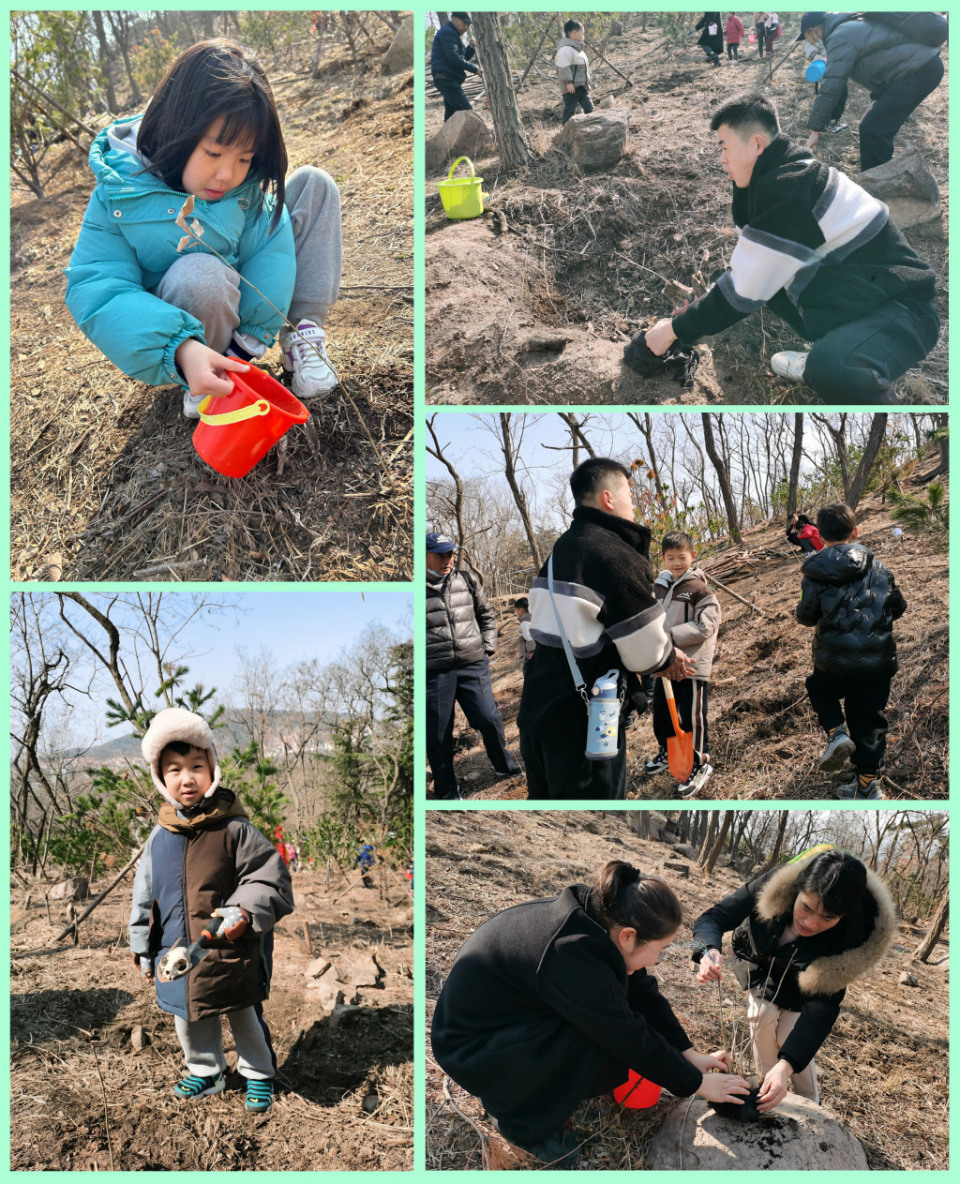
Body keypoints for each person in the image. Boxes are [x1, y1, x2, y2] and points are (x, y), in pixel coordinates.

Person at [65, 39, 342, 417]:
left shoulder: (243, 186)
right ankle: (206, 373)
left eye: (244, 158)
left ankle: (302, 336)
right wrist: (181, 348)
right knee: (200, 275)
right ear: (174, 131)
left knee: (314, 184)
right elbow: (97, 289)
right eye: (214, 154)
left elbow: (270, 253)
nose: (227, 174)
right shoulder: (119, 194)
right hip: (189, 324)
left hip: (245, 312)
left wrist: (250, 341)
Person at [433, 860, 751, 1169]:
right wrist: (697, 1084)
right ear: (628, 936)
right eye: (661, 950)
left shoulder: (601, 918)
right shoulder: (570, 954)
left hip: (503, 1025)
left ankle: (528, 1093)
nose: (658, 960)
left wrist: (687, 1053)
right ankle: (523, 1121)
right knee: (600, 1042)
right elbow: (628, 1036)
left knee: (611, 1023)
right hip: (471, 1050)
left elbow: (642, 993)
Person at [642, 93, 939, 405]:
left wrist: (671, 330)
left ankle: (842, 361)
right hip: (863, 299)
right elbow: (753, 270)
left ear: (757, 144)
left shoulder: (791, 189)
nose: (722, 159)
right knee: (746, 284)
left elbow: (745, 289)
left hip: (904, 310)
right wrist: (700, 310)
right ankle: (835, 349)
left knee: (835, 369)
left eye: (724, 147)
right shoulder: (789, 172)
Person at [131, 708, 294, 1112]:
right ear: (160, 777)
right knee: (189, 1015)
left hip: (230, 946)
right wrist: (141, 945)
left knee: (243, 1012)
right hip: (176, 950)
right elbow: (144, 893)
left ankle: (258, 1073)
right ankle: (207, 1071)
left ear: (212, 768)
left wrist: (241, 911)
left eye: (196, 767)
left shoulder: (233, 827)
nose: (186, 778)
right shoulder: (159, 836)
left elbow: (268, 877)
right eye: (174, 770)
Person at [518, 458, 694, 801]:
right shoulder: (613, 554)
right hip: (583, 725)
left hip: (537, 714)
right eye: (629, 492)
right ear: (608, 498)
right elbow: (646, 648)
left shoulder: (562, 548)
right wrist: (668, 658)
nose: (633, 501)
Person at [692, 847, 896, 1110]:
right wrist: (708, 950)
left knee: (790, 1036)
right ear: (797, 890)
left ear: (843, 916)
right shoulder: (774, 886)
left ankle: (809, 1106)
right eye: (806, 907)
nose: (810, 923)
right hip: (761, 964)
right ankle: (770, 1093)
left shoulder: (851, 937)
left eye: (827, 917)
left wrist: (786, 1066)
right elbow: (713, 918)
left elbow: (820, 1012)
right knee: (761, 1015)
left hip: (805, 983)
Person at [796, 502, 906, 800]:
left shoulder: (814, 572)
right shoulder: (880, 567)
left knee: (819, 688)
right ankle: (868, 786)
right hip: (877, 661)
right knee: (869, 719)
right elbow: (899, 606)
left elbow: (806, 616)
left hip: (833, 660)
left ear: (819, 535)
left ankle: (836, 733)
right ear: (855, 531)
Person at [426, 532, 521, 800]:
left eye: (450, 554)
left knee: (489, 719)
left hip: (472, 664)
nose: (447, 560)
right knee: (438, 733)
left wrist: (488, 647)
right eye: (440, 554)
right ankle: (446, 789)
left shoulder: (466, 580)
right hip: (434, 673)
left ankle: (505, 766)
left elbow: (486, 614)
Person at [797, 12, 946, 171]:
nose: (809, 42)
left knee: (873, 130)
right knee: (872, 128)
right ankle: (878, 179)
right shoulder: (848, 27)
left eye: (806, 36)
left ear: (812, 30)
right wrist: (877, 99)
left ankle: (877, 187)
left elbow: (832, 82)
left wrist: (815, 129)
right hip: (918, 69)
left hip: (919, 70)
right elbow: (883, 61)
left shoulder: (840, 35)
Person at [644, 532, 721, 797]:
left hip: (690, 664)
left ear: (693, 556)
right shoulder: (660, 585)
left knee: (691, 717)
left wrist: (670, 636)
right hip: (664, 662)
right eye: (670, 558)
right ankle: (668, 752)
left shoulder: (699, 588)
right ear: (662, 558)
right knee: (663, 715)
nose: (676, 563)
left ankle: (699, 763)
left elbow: (706, 625)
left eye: (682, 557)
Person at [430, 12, 482, 123]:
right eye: (465, 24)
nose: (467, 28)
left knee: (451, 115)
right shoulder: (447, 33)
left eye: (469, 25)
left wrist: (471, 48)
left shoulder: (453, 35)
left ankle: (445, 139)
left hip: (447, 79)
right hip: (446, 78)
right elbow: (453, 58)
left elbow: (462, 58)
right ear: (454, 19)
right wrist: (475, 70)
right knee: (466, 110)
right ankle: (476, 138)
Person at [555, 19, 594, 124]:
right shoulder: (565, 50)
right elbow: (563, 67)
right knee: (569, 111)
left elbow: (586, 70)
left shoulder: (579, 52)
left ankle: (590, 129)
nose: (584, 36)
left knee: (589, 107)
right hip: (571, 89)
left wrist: (589, 82)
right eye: (583, 33)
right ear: (574, 34)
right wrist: (569, 82)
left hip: (582, 87)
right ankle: (565, 134)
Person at [512, 596, 535, 673]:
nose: (516, 613)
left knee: (527, 671)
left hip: (531, 654)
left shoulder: (524, 624)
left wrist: (531, 652)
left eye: (516, 611)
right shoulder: (532, 619)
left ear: (521, 610)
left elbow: (529, 639)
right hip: (535, 652)